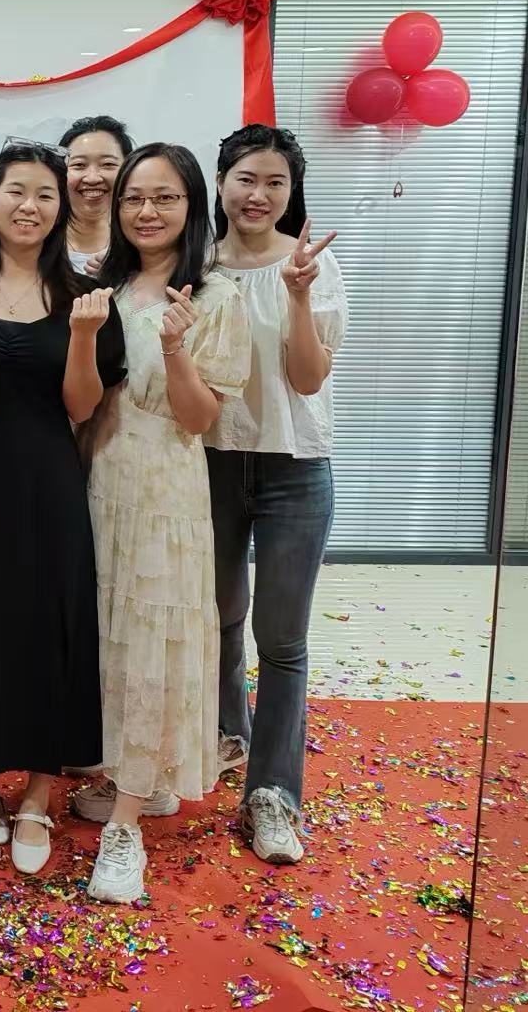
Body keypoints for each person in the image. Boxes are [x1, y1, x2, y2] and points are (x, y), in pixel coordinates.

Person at [0, 139, 124, 875]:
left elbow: (81, 406)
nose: (30, 206)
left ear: (62, 206)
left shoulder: (85, 294)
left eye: (45, 194)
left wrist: (83, 337)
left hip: (47, 483)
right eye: (16, 191)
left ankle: (38, 793)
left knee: (49, 629)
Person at [75, 141, 250, 905]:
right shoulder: (104, 285)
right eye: (134, 197)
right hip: (98, 477)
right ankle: (133, 777)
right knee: (108, 638)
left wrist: (176, 347)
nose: (147, 211)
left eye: (165, 197)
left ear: (191, 206)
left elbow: (200, 417)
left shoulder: (215, 295)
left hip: (165, 486)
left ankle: (125, 829)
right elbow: (83, 395)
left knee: (149, 640)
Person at [206, 125, 345, 866]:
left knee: (281, 639)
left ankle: (273, 794)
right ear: (221, 181)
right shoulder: (197, 264)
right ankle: (229, 736)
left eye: (275, 182)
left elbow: (309, 377)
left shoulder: (310, 264)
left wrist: (297, 295)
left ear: (292, 192)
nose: (258, 194)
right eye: (246, 178)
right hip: (213, 462)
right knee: (219, 618)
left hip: (295, 469)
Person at [59, 115, 134, 273]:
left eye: (108, 164)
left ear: (128, 170)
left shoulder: (143, 242)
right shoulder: (38, 242)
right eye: (79, 165)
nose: (92, 178)